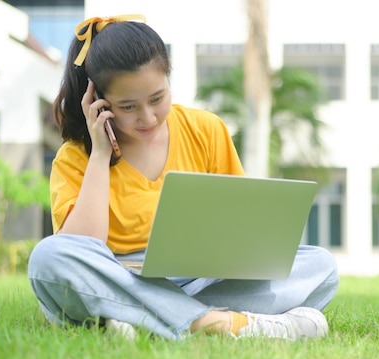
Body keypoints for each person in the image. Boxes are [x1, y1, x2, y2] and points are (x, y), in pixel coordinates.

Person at [27, 15, 339, 341]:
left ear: (168, 79)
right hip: (118, 276)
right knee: (49, 260)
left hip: (203, 280)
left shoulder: (205, 129)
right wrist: (101, 154)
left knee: (321, 267)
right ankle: (221, 324)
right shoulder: (76, 156)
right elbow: (81, 247)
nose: (148, 117)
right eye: (128, 106)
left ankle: (137, 317)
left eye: (157, 99)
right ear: (97, 102)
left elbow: (241, 227)